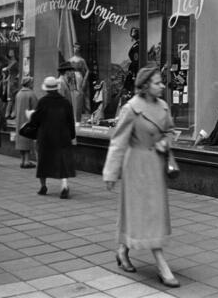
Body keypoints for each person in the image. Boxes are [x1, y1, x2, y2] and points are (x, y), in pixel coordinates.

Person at [103, 66, 180, 288]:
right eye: (158, 83)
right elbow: (118, 141)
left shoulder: (164, 106)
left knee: (153, 213)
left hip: (155, 165)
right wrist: (111, 172)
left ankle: (122, 251)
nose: (162, 86)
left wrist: (166, 141)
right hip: (135, 166)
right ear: (145, 86)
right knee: (138, 212)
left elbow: (170, 131)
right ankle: (161, 265)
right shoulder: (131, 109)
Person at [28, 76, 76, 198]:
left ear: (46, 89)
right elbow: (71, 120)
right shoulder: (65, 102)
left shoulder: (43, 102)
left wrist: (31, 117)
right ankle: (64, 185)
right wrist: (71, 135)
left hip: (46, 136)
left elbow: (36, 120)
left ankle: (43, 186)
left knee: (43, 160)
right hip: (63, 135)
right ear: (57, 88)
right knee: (63, 161)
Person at [14, 76, 38, 169]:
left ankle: (22, 160)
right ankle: (27, 161)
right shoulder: (31, 94)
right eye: (32, 82)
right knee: (27, 140)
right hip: (28, 120)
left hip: (19, 120)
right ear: (29, 83)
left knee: (21, 140)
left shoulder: (19, 93)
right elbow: (35, 108)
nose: (33, 84)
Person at [69, 43, 89, 119]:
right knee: (72, 94)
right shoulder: (70, 60)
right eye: (74, 48)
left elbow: (87, 70)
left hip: (79, 76)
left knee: (79, 95)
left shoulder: (81, 60)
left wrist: (84, 80)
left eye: (77, 48)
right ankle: (72, 115)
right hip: (71, 77)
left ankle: (78, 116)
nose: (76, 49)